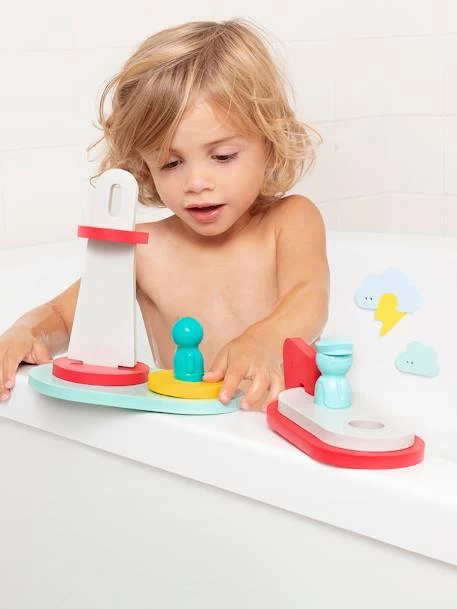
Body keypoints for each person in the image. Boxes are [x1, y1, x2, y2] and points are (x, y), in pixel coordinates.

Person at [0, 19, 329, 411]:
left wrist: (264, 339)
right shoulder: (145, 250)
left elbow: (309, 297)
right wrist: (25, 331)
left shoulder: (289, 221)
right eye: (171, 163)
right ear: (146, 167)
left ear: (270, 147)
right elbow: (63, 315)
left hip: (285, 422)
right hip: (186, 430)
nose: (196, 182)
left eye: (222, 156)